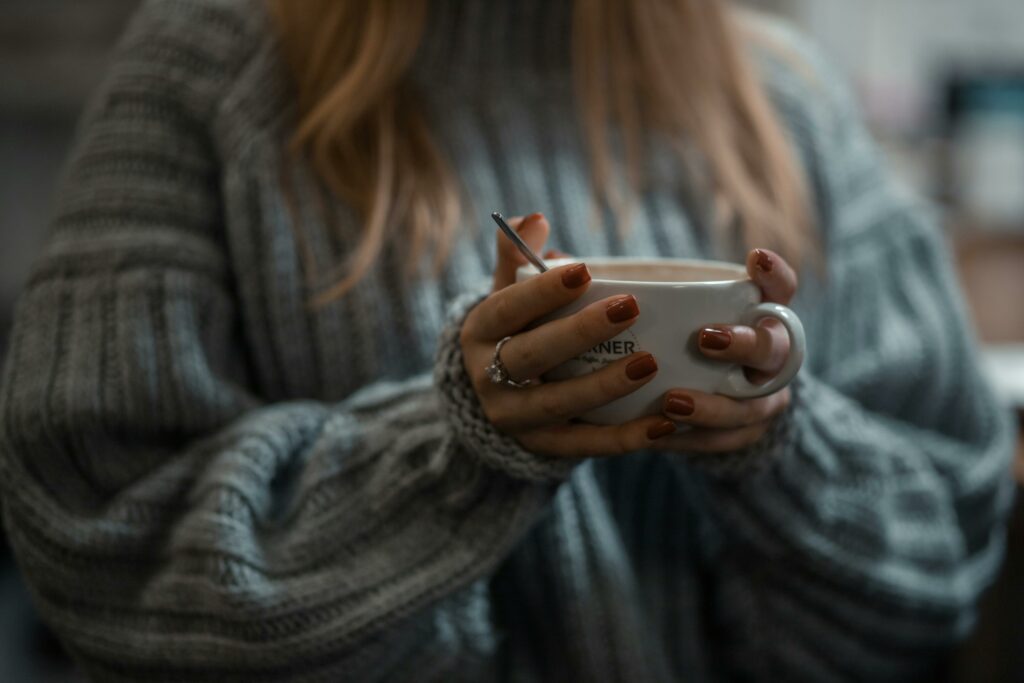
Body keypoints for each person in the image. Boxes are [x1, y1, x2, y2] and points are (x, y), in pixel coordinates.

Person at [0, 0, 1015, 680]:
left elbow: (936, 573)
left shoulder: (783, 96)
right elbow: (105, 557)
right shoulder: (208, 69)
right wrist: (451, 449)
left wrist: (776, 438)